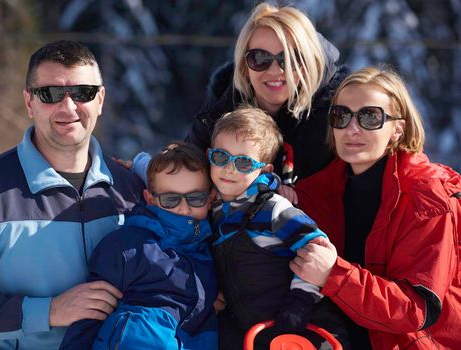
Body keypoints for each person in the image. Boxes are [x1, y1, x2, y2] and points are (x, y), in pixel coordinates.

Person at [0, 40, 144, 349]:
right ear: (29, 102)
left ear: (100, 100)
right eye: (51, 94)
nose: (68, 107)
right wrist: (49, 311)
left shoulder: (131, 191)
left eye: (83, 93)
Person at [292, 66, 461, 349]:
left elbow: (415, 309)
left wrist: (334, 273)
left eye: (370, 117)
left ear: (398, 129)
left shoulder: (427, 198)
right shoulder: (314, 194)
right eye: (341, 116)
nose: (352, 128)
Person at [209, 107, 349, 350]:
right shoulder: (215, 212)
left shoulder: (273, 209)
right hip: (252, 332)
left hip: (300, 329)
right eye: (221, 157)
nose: (230, 168)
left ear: (264, 170)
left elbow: (317, 247)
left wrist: (300, 302)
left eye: (243, 163)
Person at [59, 141, 218, 350]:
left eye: (195, 198)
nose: (183, 208)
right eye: (171, 199)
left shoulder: (213, 249)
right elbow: (89, 315)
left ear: (211, 199)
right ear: (151, 199)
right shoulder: (127, 246)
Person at [185, 2, 349, 190]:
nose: (275, 71)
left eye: (289, 59)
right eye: (260, 58)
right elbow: (183, 174)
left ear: (308, 64)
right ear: (244, 66)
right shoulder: (220, 112)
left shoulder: (336, 115)